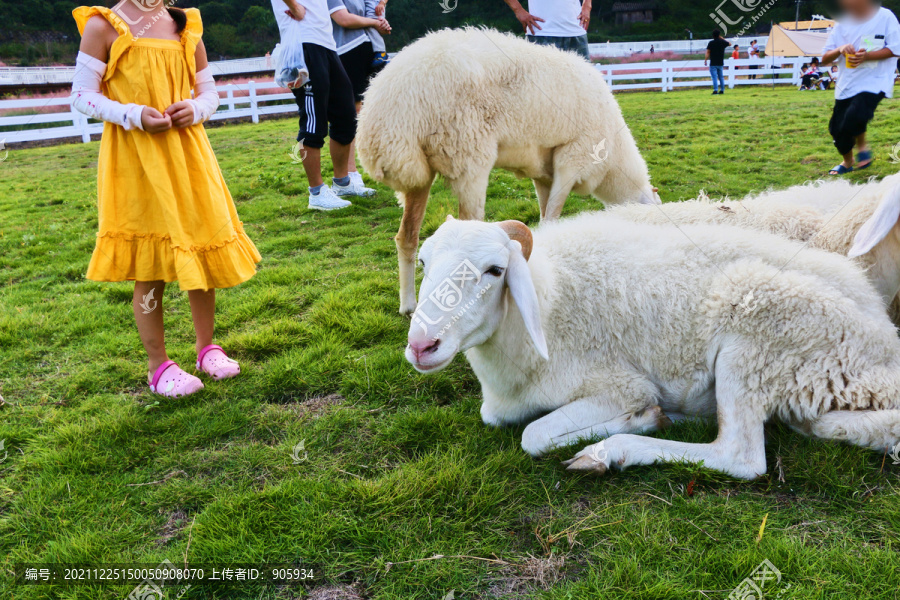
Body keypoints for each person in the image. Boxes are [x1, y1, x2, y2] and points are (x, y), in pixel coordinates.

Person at [71, 2, 261, 398]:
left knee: (201, 248)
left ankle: (206, 347)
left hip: (188, 156)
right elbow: (82, 96)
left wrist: (194, 108)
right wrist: (133, 114)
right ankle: (158, 365)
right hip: (136, 161)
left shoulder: (184, 25)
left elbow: (209, 93)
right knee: (149, 264)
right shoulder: (102, 25)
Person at [272, 0, 363, 209]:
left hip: (327, 44)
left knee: (346, 115)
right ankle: (317, 192)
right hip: (303, 43)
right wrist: (294, 6)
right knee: (313, 121)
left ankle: (342, 182)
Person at [822, 0, 900, 174]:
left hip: (876, 80)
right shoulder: (841, 22)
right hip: (847, 84)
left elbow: (895, 49)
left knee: (856, 114)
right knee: (837, 131)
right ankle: (847, 162)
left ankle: (862, 147)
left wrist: (867, 57)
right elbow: (825, 58)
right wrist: (840, 49)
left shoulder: (885, 16)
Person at [327, 0, 392, 191]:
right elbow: (344, 20)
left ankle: (377, 164)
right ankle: (349, 173)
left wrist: (381, 23)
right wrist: (373, 23)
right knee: (352, 112)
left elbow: (375, 19)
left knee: (371, 110)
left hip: (369, 49)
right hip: (346, 51)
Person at [502, 0, 592, 60]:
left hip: (576, 30)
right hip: (542, 33)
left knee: (585, 85)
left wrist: (587, 6)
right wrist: (518, 10)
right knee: (541, 85)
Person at [705, 30, 730, 94]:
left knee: (714, 77)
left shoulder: (711, 43)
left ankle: (715, 90)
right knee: (721, 77)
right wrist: (722, 38)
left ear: (713, 35)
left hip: (713, 62)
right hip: (720, 62)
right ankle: (722, 90)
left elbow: (708, 52)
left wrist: (705, 60)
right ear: (719, 35)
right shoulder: (722, 42)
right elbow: (729, 43)